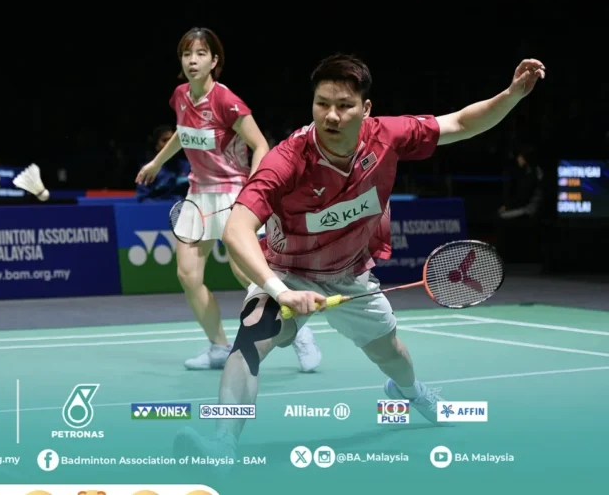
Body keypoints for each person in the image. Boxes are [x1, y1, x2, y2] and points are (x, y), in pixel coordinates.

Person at [173, 53, 545, 457]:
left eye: (344, 106)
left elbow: (460, 123)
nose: (331, 116)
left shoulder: (387, 136)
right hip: (287, 272)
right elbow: (236, 229)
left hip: (351, 274)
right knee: (249, 340)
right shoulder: (287, 159)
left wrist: (511, 96)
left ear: (365, 108)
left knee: (392, 354)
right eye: (322, 104)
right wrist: (280, 291)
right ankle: (223, 444)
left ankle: (410, 391)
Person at [136, 27, 322, 372]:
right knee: (187, 275)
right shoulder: (180, 95)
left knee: (245, 272)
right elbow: (183, 133)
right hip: (198, 193)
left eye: (200, 54)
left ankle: (296, 330)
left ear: (214, 60)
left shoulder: (226, 101)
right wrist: (157, 162)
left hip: (232, 190)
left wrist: (253, 188)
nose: (193, 61)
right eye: (187, 54)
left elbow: (260, 144)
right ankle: (219, 346)